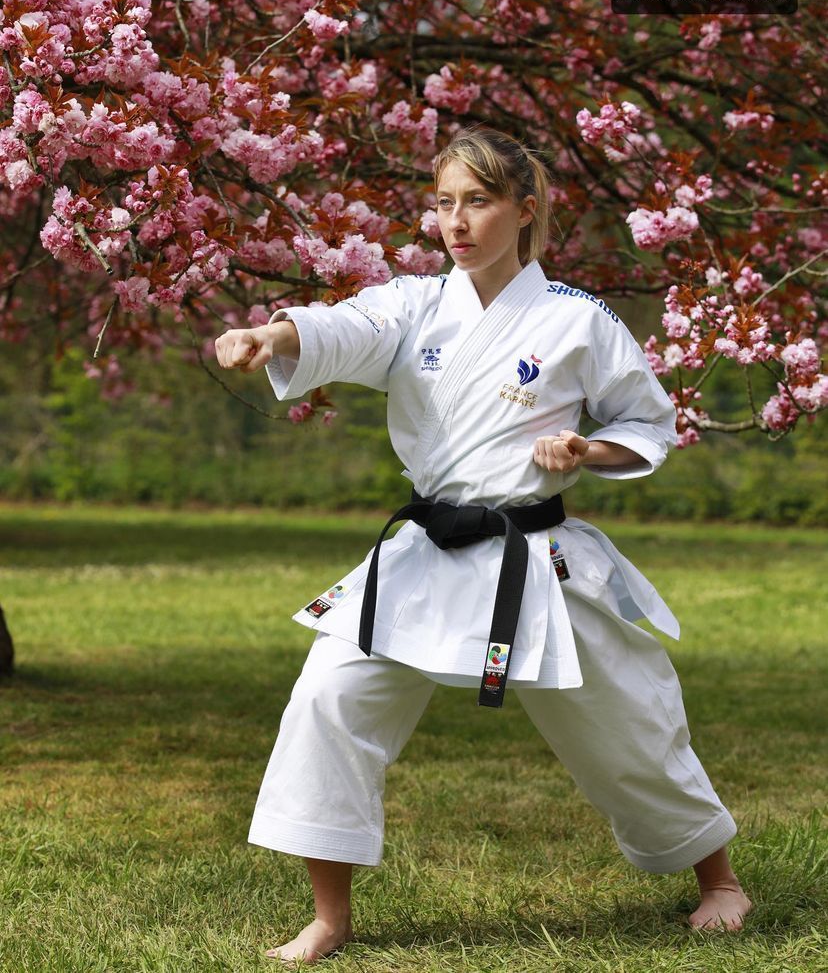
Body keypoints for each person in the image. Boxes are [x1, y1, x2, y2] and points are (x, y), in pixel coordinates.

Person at [214, 125, 752, 963]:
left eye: (478, 201)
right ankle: (329, 915)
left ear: (524, 209)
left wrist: (587, 450)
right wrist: (274, 335)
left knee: (627, 718)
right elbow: (343, 326)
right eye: (443, 203)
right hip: (425, 551)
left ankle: (720, 879)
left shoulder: (577, 318)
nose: (455, 222)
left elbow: (647, 423)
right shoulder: (415, 304)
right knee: (327, 697)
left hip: (534, 556)